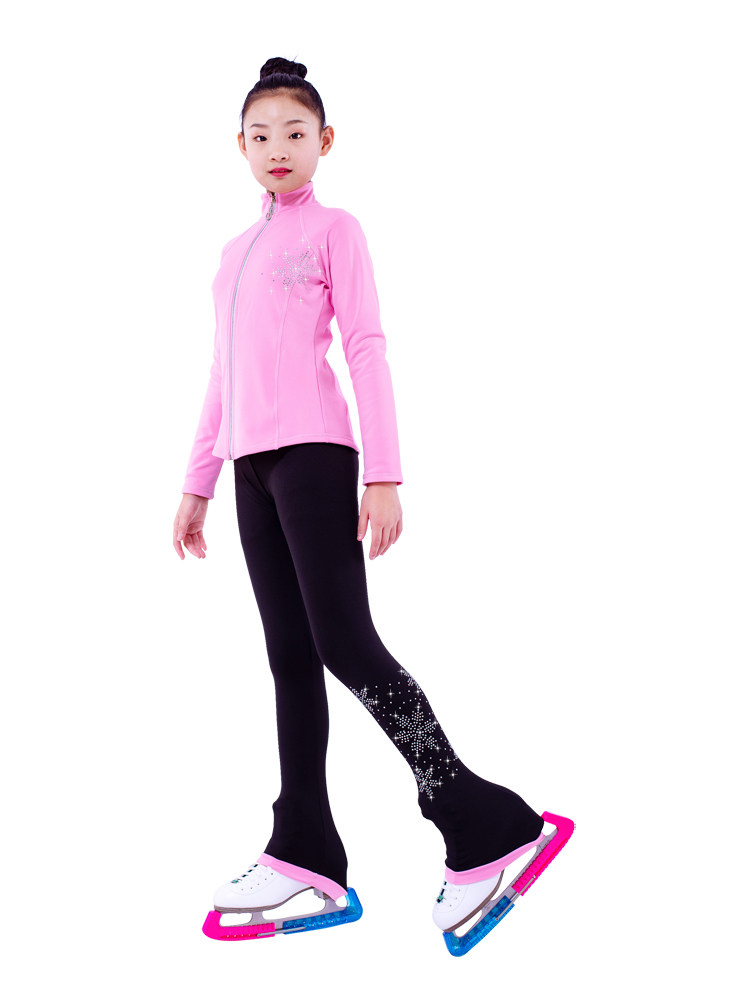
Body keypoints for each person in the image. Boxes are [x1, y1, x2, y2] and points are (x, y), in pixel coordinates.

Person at [173, 56, 572, 954]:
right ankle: (306, 851)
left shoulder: (335, 231)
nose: (278, 148)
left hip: (317, 457)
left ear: (325, 141)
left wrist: (383, 473)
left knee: (347, 645)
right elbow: (222, 374)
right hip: (249, 472)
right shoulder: (231, 255)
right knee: (289, 660)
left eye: (295, 133)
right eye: (261, 135)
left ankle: (482, 821)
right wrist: (198, 480)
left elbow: (365, 344)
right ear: (240, 146)